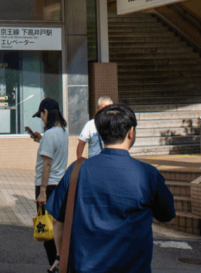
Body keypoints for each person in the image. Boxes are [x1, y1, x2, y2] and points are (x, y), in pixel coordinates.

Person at [46, 103, 175, 273]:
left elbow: (57, 221)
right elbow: (167, 216)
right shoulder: (148, 174)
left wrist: (59, 257)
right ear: (131, 132)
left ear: (99, 134)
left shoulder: (76, 170)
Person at [29, 98, 68, 271]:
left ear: (46, 113)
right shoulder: (62, 132)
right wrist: (42, 139)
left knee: (46, 232)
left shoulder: (50, 135)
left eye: (41, 116)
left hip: (47, 187)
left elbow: (46, 165)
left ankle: (55, 266)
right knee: (58, 229)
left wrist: (42, 192)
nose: (42, 119)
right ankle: (60, 263)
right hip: (60, 186)